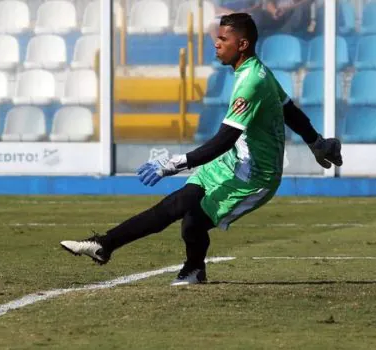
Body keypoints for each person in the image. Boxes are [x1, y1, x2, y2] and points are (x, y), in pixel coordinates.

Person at [60, 13, 343, 286]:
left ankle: (194, 269)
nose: (216, 43)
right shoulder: (254, 72)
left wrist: (170, 165)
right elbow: (289, 111)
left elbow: (224, 140)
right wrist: (315, 143)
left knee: (192, 222)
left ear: (242, 45)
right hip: (232, 163)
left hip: (254, 177)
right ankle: (103, 244)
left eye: (222, 39)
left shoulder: (253, 81)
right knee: (175, 204)